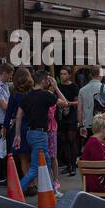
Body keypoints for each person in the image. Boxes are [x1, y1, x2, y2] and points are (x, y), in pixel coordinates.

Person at [12, 70, 67, 198]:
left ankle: (53, 190)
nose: (49, 82)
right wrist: (56, 87)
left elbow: (19, 116)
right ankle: (16, 192)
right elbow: (65, 103)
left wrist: (17, 135)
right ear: (43, 81)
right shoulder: (46, 95)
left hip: (30, 133)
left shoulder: (27, 96)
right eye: (48, 80)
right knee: (34, 168)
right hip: (40, 134)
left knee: (46, 163)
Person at [57, 67, 81, 177]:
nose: (62, 76)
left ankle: (73, 164)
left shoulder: (74, 87)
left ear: (69, 75)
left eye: (65, 74)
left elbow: (77, 102)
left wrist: (68, 103)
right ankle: (68, 165)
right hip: (61, 115)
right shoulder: (58, 87)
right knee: (64, 140)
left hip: (71, 115)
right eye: (61, 74)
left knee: (72, 140)